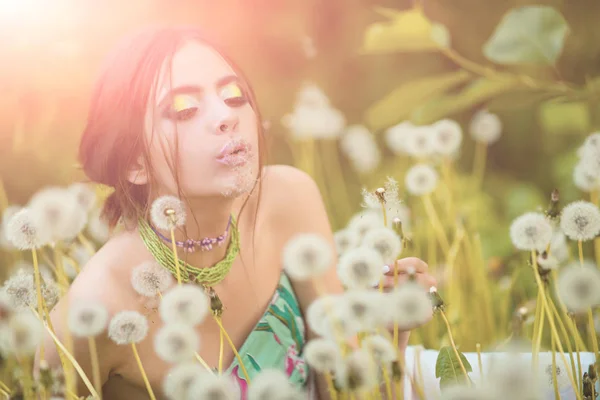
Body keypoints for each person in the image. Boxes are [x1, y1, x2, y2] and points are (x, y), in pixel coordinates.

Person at [36, 25, 437, 399]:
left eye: (234, 96)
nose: (226, 116)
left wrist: (388, 330)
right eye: (185, 109)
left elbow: (347, 386)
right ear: (134, 163)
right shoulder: (98, 308)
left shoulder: (288, 200)